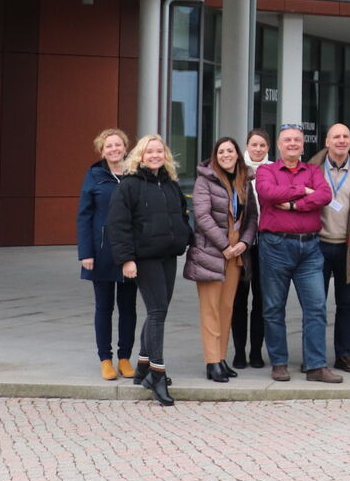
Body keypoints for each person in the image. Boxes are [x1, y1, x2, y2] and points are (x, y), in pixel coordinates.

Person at [254, 126, 341, 384]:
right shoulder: (266, 170)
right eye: (287, 140)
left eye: (297, 140)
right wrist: (303, 190)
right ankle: (279, 363)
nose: (292, 143)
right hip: (275, 246)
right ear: (279, 146)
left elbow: (325, 195)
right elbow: (268, 193)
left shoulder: (313, 170)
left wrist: (293, 204)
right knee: (273, 308)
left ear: (303, 146)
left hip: (310, 248)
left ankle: (316, 366)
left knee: (316, 307)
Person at [107, 134, 189, 407]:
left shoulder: (170, 184)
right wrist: (126, 260)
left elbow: (181, 214)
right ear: (140, 156)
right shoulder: (129, 185)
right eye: (149, 151)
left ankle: (142, 367)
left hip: (168, 256)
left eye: (159, 151)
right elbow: (118, 225)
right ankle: (157, 373)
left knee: (159, 311)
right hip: (144, 258)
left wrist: (185, 237)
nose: (155, 156)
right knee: (156, 313)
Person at [183, 137, 258, 383]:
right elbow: (202, 216)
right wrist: (225, 246)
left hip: (236, 252)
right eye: (221, 151)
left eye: (230, 151)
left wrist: (244, 243)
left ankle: (222, 358)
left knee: (227, 308)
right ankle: (212, 361)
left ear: (238, 154)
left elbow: (252, 217)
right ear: (215, 156)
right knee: (211, 309)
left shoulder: (244, 180)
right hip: (211, 251)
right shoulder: (204, 181)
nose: (226, 155)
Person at [310, 123, 350, 374]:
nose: (341, 140)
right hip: (317, 246)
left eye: (346, 136)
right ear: (327, 141)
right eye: (336, 136)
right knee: (315, 305)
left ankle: (345, 355)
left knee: (348, 305)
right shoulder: (312, 167)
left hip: (349, 249)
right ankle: (314, 358)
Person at [75, 127, 137, 381]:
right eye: (108, 146)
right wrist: (85, 253)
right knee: (104, 308)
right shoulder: (94, 176)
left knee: (128, 307)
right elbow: (84, 216)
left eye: (118, 145)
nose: (114, 149)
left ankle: (125, 358)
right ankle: (105, 360)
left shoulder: (135, 173)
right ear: (102, 151)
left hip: (130, 252)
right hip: (101, 252)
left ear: (125, 147)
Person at [230, 129, 270, 370]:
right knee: (239, 300)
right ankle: (238, 352)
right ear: (247, 146)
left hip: (266, 243)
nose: (258, 149)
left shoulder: (273, 169)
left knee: (262, 302)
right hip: (242, 244)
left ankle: (256, 351)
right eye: (254, 144)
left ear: (268, 148)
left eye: (262, 145)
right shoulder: (237, 169)